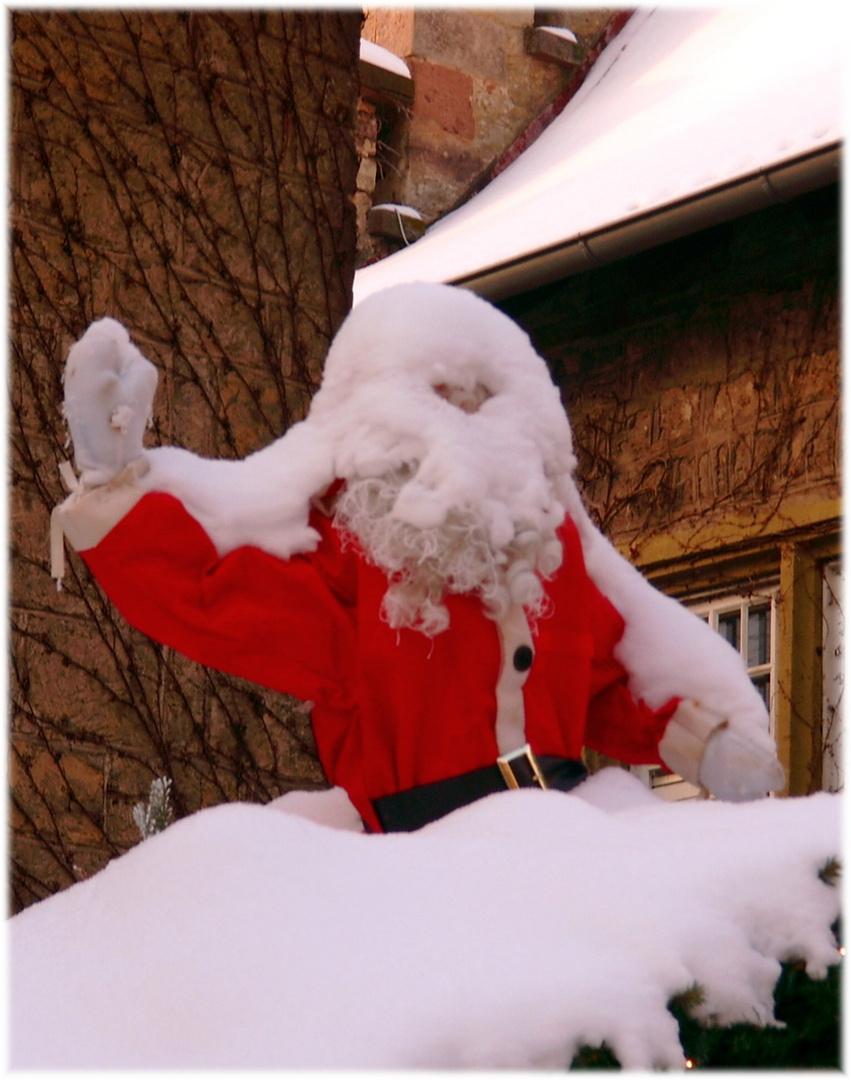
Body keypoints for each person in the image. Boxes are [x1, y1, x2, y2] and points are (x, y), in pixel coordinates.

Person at [52, 283, 784, 832]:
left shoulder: (551, 553)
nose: (465, 432)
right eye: (439, 404)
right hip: (416, 865)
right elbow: (214, 596)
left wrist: (700, 735)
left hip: (562, 850)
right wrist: (114, 481)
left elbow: (619, 671)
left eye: (482, 405)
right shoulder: (360, 558)